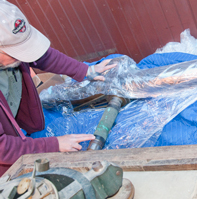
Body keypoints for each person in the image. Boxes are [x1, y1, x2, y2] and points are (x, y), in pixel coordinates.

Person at [0, 1, 116, 175]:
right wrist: (54, 144)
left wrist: (85, 70)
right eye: (17, 51)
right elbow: (2, 148)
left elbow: (42, 56)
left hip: (14, 124)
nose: (24, 56)